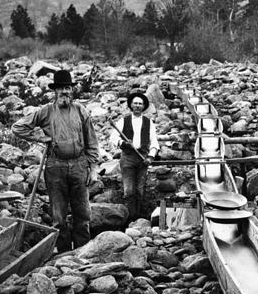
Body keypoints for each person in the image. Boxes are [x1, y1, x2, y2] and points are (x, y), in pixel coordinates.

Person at [12, 69, 100, 253]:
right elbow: (18, 127)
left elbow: (92, 141)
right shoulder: (45, 112)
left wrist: (93, 168)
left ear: (72, 90)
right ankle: (64, 254)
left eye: (67, 87)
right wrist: (40, 137)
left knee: (83, 213)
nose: (64, 91)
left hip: (79, 165)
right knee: (58, 216)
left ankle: (83, 253)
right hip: (55, 166)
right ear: (55, 91)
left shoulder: (81, 111)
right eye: (60, 88)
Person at [108, 91, 158, 221]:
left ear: (143, 106)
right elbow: (113, 138)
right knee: (129, 191)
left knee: (139, 190)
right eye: (135, 103)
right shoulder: (123, 121)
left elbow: (154, 142)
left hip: (143, 160)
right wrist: (123, 142)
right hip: (128, 159)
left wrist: (150, 157)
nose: (137, 106)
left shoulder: (149, 123)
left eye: (140, 104)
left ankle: (139, 218)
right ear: (131, 105)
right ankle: (130, 218)